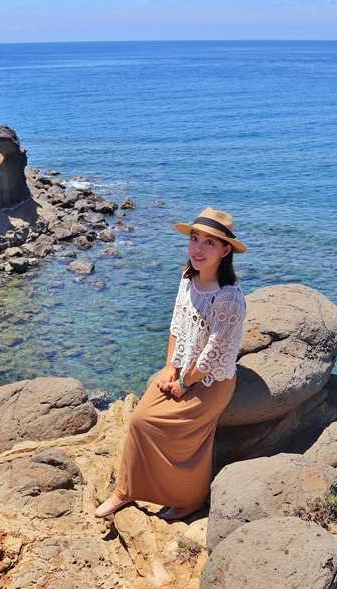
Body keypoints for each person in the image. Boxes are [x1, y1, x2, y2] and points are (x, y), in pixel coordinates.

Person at [95, 207, 248, 521]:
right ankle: (124, 491)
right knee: (139, 421)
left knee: (181, 437)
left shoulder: (229, 298)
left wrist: (183, 383)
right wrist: (169, 368)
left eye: (209, 242)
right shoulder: (188, 277)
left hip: (211, 381)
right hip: (182, 369)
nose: (198, 248)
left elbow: (214, 354)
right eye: (195, 239)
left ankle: (189, 499)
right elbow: (177, 325)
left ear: (225, 250)